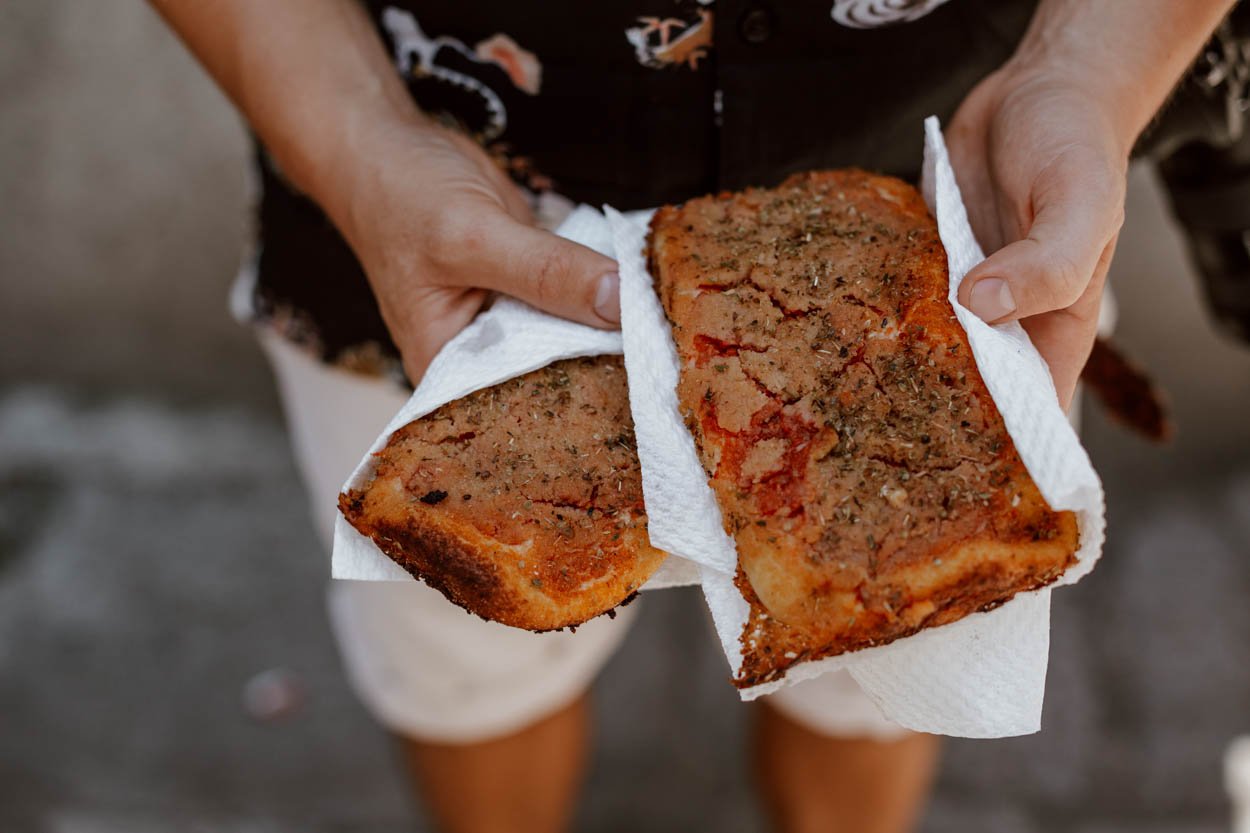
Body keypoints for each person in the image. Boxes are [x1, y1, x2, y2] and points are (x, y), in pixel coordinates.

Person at [150, 2, 1233, 831]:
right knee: (458, 655)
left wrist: (1087, 65)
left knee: (889, 652)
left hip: (944, 211)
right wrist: (354, 143)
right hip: (434, 207)